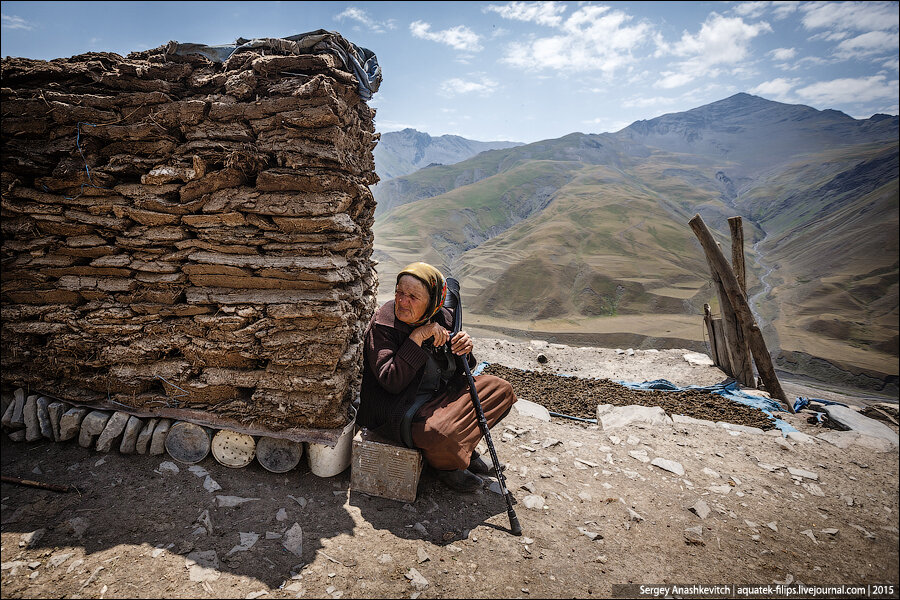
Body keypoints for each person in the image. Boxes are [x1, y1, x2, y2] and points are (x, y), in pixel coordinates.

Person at [357, 262, 518, 492]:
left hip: (439, 396)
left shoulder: (443, 316)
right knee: (440, 432)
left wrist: (465, 348)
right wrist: (417, 338)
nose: (403, 301)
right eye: (400, 293)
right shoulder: (384, 324)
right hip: (401, 410)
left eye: (413, 296)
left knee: (501, 391)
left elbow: (462, 369)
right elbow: (391, 382)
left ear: (433, 301)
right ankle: (447, 467)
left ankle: (463, 450)